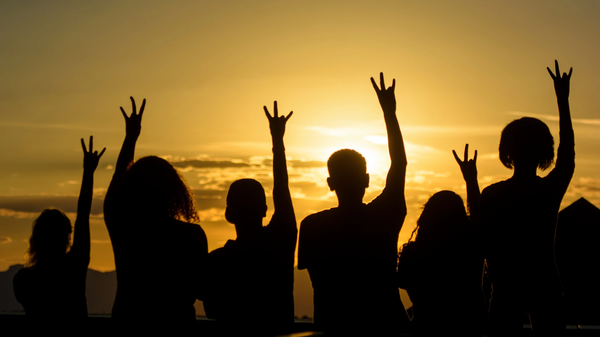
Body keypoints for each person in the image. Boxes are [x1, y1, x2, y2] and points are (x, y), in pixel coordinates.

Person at [298, 73, 408, 334]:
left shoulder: (312, 226)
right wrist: (389, 113)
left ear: (330, 183)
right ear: (367, 180)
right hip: (387, 328)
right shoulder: (385, 216)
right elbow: (399, 164)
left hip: (333, 329)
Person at [481, 61, 575, 335]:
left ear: (506, 152)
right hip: (545, 285)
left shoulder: (493, 194)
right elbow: (568, 156)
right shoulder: (546, 191)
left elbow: (483, 243)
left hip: (505, 288)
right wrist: (563, 101)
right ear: (545, 152)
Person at [103, 97, 208, 325]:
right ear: (174, 191)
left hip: (128, 322)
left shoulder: (125, 232)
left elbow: (114, 190)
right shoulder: (192, 235)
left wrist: (130, 138)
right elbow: (202, 289)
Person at [203, 102, 297, 336]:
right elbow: (282, 191)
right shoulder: (281, 242)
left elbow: (212, 310)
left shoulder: (217, 261)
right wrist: (277, 141)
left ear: (227, 214)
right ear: (265, 210)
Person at [13, 137, 105, 324]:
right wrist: (88, 173)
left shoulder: (23, 280)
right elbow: (83, 215)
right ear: (67, 237)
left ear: (35, 239)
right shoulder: (74, 267)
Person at [397, 145, 486, 335]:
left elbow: (400, 284)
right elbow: (478, 217)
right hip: (470, 329)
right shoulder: (470, 248)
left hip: (425, 329)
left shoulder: (412, 254)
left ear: (426, 217)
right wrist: (471, 180)